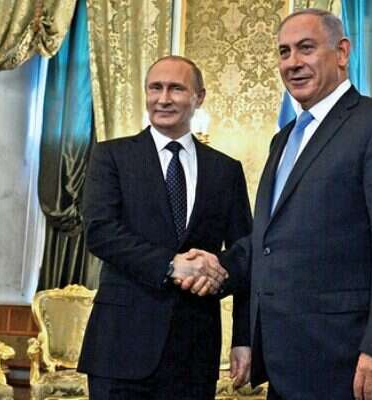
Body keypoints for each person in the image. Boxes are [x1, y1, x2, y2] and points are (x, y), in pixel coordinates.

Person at [183, 8, 372, 400]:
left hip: (350, 361)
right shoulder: (283, 139)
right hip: (286, 361)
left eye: (306, 48)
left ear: (342, 52)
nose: (292, 62)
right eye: (284, 52)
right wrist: (217, 266)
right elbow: (268, 241)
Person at [77, 55, 253, 400]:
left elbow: (245, 255)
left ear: (199, 97)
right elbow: (101, 233)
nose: (163, 98)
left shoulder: (225, 170)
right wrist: (172, 265)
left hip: (194, 353)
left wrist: (243, 339)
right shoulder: (111, 156)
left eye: (176, 89)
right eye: (155, 88)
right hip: (120, 349)